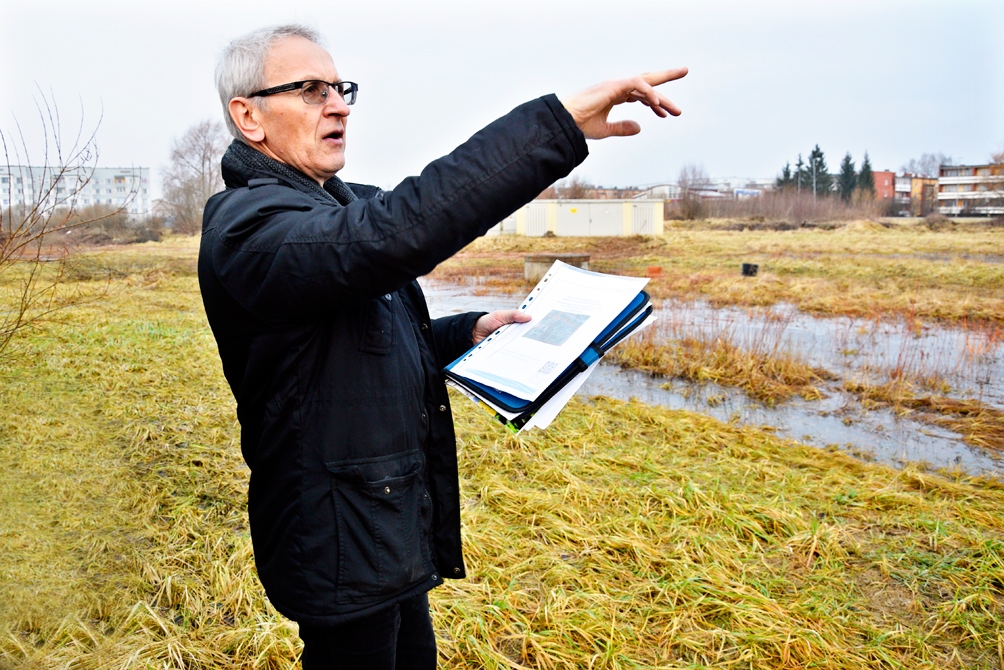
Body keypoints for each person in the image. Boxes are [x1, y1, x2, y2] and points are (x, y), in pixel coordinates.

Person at [198, 23, 686, 670]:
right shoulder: (251, 229)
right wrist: (558, 125)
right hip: (340, 549)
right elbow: (396, 234)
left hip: (390, 525)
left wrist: (467, 331)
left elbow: (350, 344)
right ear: (248, 117)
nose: (339, 104)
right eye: (310, 90)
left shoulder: (330, 210)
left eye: (339, 88)